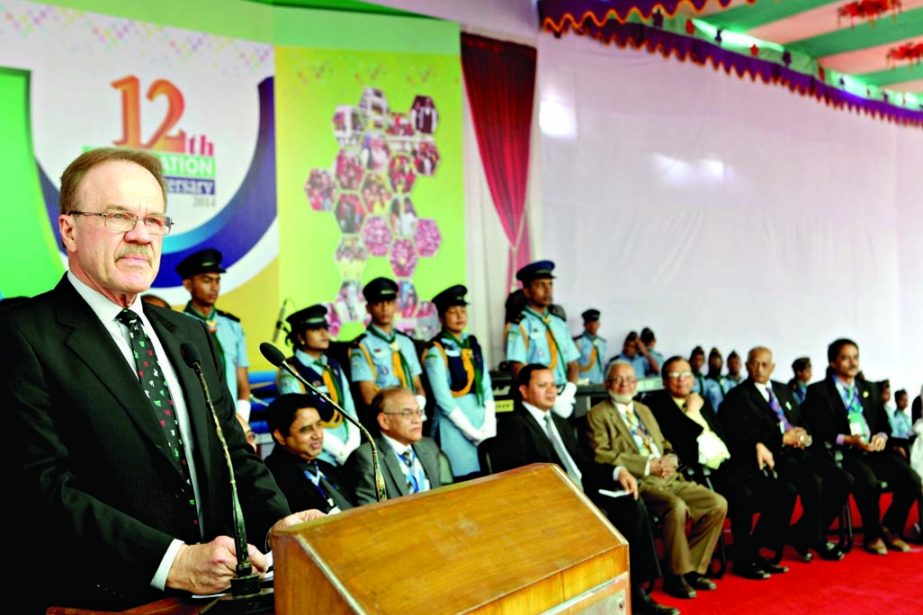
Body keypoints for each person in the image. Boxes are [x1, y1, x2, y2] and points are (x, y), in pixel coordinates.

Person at [1, 148, 320, 613]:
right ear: (68, 229)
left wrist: (278, 525)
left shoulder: (189, 334)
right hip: (104, 601)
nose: (140, 236)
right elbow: (39, 488)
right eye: (118, 216)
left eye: (154, 220)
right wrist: (172, 561)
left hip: (220, 598)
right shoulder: (22, 334)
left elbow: (233, 455)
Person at [492, 364, 676, 615]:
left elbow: (580, 461)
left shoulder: (558, 421)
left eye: (553, 385)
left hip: (582, 491)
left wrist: (616, 471)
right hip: (552, 500)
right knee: (613, 514)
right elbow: (520, 475)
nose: (551, 391)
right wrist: (568, 492)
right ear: (523, 390)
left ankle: (637, 590)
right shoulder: (513, 425)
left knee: (633, 504)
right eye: (542, 385)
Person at [644, 356, 797, 581]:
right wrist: (693, 413)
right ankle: (744, 560)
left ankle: (751, 548)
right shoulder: (657, 406)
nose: (681, 380)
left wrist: (756, 444)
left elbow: (724, 434)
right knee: (743, 496)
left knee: (784, 491)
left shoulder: (701, 399)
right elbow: (681, 443)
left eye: (686, 375)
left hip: (728, 462)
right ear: (664, 381)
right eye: (674, 376)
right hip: (700, 469)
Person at [587, 361, 728, 598]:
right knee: (676, 507)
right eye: (618, 380)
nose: (625, 385)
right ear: (607, 384)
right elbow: (601, 454)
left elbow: (663, 444)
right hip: (637, 481)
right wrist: (645, 466)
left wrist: (670, 458)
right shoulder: (597, 414)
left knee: (716, 504)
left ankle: (691, 567)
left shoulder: (644, 410)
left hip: (668, 475)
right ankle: (676, 577)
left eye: (630, 379)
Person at [718, 347, 851, 562]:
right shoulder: (738, 397)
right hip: (772, 457)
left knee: (843, 479)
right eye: (755, 363)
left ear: (773, 367)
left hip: (800, 451)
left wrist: (804, 435)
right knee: (813, 482)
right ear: (747, 366)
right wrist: (780, 439)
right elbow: (740, 435)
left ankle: (803, 532)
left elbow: (800, 420)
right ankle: (814, 537)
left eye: (764, 364)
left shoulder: (782, 390)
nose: (759, 369)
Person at [801, 338, 921, 555]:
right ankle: (872, 534)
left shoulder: (870, 388)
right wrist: (847, 439)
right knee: (868, 481)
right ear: (833, 363)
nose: (852, 363)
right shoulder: (819, 391)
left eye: (855, 357)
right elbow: (816, 429)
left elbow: (884, 423)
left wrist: (882, 437)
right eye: (845, 358)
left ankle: (890, 527)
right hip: (846, 453)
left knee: (911, 480)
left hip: (874, 450)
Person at [422, 285, 495, 480]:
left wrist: (489, 422)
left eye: (462, 310)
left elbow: (486, 386)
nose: (459, 316)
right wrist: (470, 431)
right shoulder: (435, 350)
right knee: (461, 481)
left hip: (481, 422)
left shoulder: (472, 343)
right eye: (452, 312)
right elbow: (444, 399)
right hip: (454, 429)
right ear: (441, 318)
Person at [277, 304, 360, 466]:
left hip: (350, 449)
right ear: (300, 337)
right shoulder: (291, 371)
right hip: (319, 454)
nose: (324, 334)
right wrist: (340, 451)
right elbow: (300, 422)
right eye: (315, 330)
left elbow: (349, 409)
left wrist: (352, 444)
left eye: (325, 328)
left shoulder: (333, 365)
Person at [176, 247, 251, 420]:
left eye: (217, 281)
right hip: (198, 417)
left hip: (233, 416)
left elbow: (243, 381)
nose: (214, 287)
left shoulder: (233, 327)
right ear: (188, 284)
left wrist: (242, 418)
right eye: (207, 280)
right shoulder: (178, 326)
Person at [504, 260, 580, 417]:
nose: (547, 290)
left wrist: (569, 392)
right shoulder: (520, 324)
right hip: (536, 399)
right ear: (526, 291)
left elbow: (572, 364)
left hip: (562, 396)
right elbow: (517, 367)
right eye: (540, 285)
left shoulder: (558, 323)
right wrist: (540, 395)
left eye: (550, 284)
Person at [350, 277, 425, 428]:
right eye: (378, 303)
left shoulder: (406, 342)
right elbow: (368, 396)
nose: (385, 308)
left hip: (413, 416)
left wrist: (419, 406)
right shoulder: (363, 345)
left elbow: (418, 386)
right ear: (368, 308)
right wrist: (399, 414)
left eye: (389, 303)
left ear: (395, 305)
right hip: (387, 419)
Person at [345, 387, 442, 504]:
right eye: (407, 413)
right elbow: (371, 512)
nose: (417, 419)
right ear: (384, 421)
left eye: (418, 412)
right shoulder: (367, 458)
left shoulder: (428, 446)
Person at [264, 394, 354, 514]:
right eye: (306, 429)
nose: (318, 435)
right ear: (280, 436)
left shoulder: (328, 468)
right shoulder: (272, 480)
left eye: (319, 425)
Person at [574, 308, 606, 385]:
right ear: (584, 325)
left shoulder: (602, 343)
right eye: (589, 323)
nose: (592, 326)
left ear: (599, 324)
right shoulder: (578, 342)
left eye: (595, 323)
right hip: (583, 382)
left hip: (599, 381)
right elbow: (573, 364)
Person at [689, 346, 723, 411]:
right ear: (690, 360)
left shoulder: (704, 380)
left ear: (704, 361)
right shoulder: (687, 378)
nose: (697, 363)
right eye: (695, 359)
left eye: (700, 360)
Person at [888, 389, 914, 458]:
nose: (905, 402)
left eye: (906, 400)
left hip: (910, 445)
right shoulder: (894, 417)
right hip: (901, 447)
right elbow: (894, 435)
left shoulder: (907, 417)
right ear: (896, 401)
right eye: (903, 400)